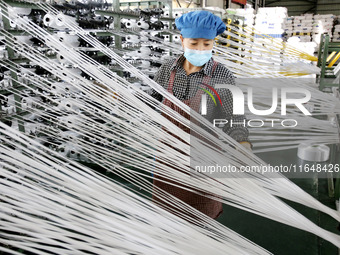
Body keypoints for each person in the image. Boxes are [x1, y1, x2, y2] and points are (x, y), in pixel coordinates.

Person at [151, 10, 251, 221]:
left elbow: (234, 116)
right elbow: (152, 99)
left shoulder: (222, 75)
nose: (200, 49)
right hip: (169, 155)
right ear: (181, 40)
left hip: (204, 156)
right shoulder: (167, 69)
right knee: (168, 211)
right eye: (194, 43)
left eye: (206, 44)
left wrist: (241, 141)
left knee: (202, 213)